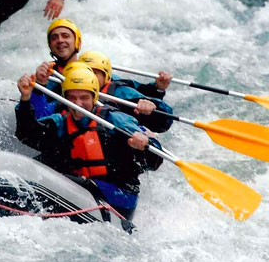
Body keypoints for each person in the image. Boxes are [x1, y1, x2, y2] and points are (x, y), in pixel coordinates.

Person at [15, 66, 163, 221]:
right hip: (81, 190)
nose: (78, 104)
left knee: (57, 180)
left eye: (84, 98)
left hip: (119, 196)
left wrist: (144, 145)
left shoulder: (115, 120)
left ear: (94, 98)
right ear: (65, 99)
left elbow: (155, 160)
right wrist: (25, 100)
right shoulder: (61, 122)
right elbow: (27, 135)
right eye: (72, 98)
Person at [79, 50, 174, 133]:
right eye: (85, 72)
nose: (88, 77)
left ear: (106, 77)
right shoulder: (73, 89)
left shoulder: (120, 92)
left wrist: (154, 100)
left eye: (94, 73)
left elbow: (163, 122)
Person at [30, 18, 82, 118]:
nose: (60, 40)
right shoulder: (44, 75)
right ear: (50, 46)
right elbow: (35, 116)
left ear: (77, 42)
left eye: (65, 36)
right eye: (54, 38)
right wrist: (40, 84)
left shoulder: (93, 69)